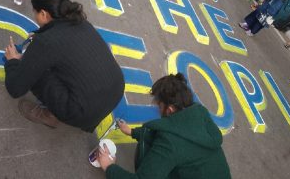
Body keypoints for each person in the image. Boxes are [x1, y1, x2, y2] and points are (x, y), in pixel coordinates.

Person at [4, 0, 125, 132]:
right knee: (52, 61)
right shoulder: (81, 22)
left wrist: (13, 61)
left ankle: (50, 115)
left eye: (35, 12)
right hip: (115, 91)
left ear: (43, 14)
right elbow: (65, 44)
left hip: (83, 112)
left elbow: (15, 89)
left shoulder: (46, 42)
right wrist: (42, 34)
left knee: (37, 70)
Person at [97, 73, 231, 179]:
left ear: (170, 109)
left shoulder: (171, 142)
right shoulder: (199, 113)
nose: (157, 108)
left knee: (145, 153)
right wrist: (132, 132)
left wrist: (109, 167)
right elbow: (174, 132)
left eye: (159, 105)